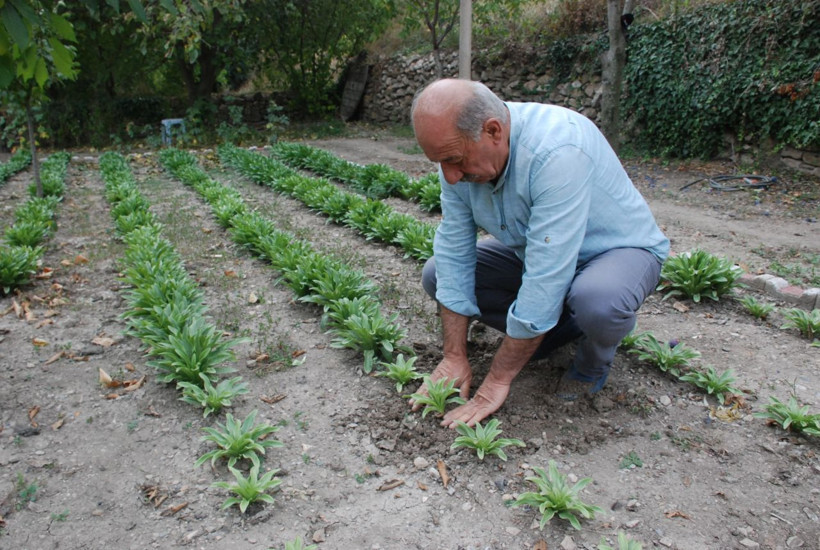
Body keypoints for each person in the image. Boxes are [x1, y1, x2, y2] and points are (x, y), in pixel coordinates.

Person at [409, 78, 669, 428]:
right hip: (538, 249)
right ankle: (552, 336)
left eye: (455, 160)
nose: (450, 176)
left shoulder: (557, 151)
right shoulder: (455, 159)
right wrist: (453, 356)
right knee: (436, 272)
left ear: (493, 131)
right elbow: (455, 251)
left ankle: (592, 361)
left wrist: (497, 381)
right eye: (440, 162)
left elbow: (546, 276)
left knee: (598, 301)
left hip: (615, 251)